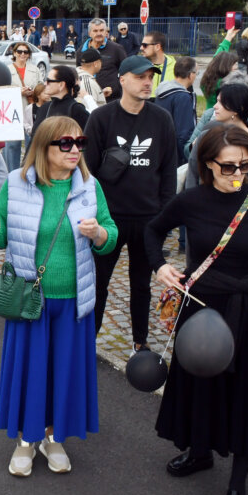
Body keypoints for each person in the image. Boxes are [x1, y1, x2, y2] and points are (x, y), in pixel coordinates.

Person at [146, 123, 248, 495]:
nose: (237, 175)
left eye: (244, 166)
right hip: (202, 306)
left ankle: (237, 486)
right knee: (201, 384)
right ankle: (200, 451)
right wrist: (161, 266)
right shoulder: (190, 201)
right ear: (207, 163)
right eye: (227, 167)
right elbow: (152, 229)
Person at [0, 116, 117, 476]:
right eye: (65, 144)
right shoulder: (17, 184)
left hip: (74, 299)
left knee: (63, 371)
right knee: (29, 371)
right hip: (29, 299)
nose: (75, 151)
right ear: (43, 147)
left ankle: (53, 436)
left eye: (79, 143)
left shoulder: (89, 185)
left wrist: (99, 233)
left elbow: (111, 235)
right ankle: (26, 439)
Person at [84, 55, 177, 352]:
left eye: (151, 76)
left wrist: (164, 217)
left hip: (147, 218)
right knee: (98, 282)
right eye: (140, 76)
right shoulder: (101, 118)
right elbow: (87, 172)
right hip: (108, 219)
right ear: (122, 79)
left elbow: (168, 171)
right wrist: (93, 216)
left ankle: (140, 341)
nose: (147, 81)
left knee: (141, 285)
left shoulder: (162, 119)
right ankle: (88, 339)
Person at [187, 71, 248, 187]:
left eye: (221, 103)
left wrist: (243, 205)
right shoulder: (205, 135)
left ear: (237, 108)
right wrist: (194, 202)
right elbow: (193, 174)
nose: (215, 106)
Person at [153, 56, 198, 164]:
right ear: (190, 75)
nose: (196, 76)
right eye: (196, 73)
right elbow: (184, 133)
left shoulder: (163, 91)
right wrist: (186, 158)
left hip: (161, 150)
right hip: (177, 157)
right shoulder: (183, 97)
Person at [30, 65, 89, 139]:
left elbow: (87, 140)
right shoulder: (45, 107)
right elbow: (34, 141)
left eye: (49, 81)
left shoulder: (76, 110)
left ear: (61, 85)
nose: (45, 84)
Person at [75, 19, 126, 101]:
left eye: (101, 30)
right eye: (95, 31)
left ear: (106, 32)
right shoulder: (81, 51)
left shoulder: (116, 49)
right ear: (89, 33)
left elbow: (126, 72)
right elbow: (79, 73)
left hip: (112, 99)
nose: (99, 33)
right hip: (89, 98)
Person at [139, 31, 177, 96]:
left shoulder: (176, 67)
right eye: (141, 45)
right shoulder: (138, 65)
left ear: (157, 47)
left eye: (145, 45)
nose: (141, 48)